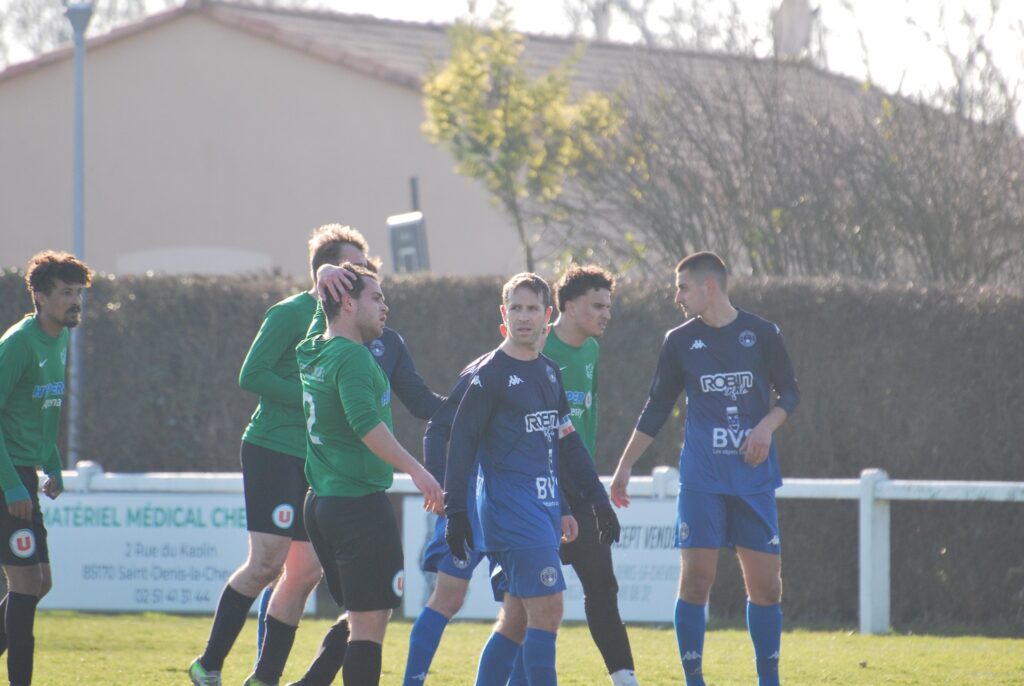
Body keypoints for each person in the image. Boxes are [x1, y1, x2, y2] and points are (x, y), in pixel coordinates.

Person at [190, 225, 374, 686]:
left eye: (363, 270)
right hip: (272, 449)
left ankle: (263, 678)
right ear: (325, 270)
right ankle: (207, 664)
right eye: (347, 267)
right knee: (266, 563)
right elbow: (251, 375)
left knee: (305, 571)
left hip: (314, 460)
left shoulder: (353, 325)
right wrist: (311, 395)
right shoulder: (290, 313)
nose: (356, 277)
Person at [609, 252, 800, 686]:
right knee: (696, 581)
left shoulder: (763, 333)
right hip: (702, 480)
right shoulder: (678, 341)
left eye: (683, 287)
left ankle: (768, 680)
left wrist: (767, 426)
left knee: (767, 588)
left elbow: (790, 392)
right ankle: (694, 680)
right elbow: (656, 408)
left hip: (752, 478)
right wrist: (623, 467)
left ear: (708, 286)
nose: (677, 296)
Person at [444, 273, 620, 686]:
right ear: (504, 314)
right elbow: (460, 445)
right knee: (550, 610)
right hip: (510, 510)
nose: (524, 317)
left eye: (532, 308)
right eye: (516, 308)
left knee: (517, 620)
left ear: (548, 315)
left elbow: (562, 444)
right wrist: (455, 512)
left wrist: (591, 501)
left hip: (542, 509)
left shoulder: (549, 372)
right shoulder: (488, 376)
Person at [283, 260, 444, 686]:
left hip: (321, 505)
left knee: (361, 615)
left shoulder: (312, 348)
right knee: (370, 627)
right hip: (359, 507)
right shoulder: (353, 358)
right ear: (348, 303)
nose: (384, 307)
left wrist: (322, 283)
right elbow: (366, 425)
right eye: (376, 297)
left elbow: (324, 313)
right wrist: (418, 471)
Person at [531, 264, 638, 686]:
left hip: (580, 490)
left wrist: (593, 490)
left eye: (608, 306)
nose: (606, 314)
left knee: (602, 589)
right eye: (597, 306)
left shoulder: (591, 350)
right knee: (530, 604)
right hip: (537, 494)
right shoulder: (535, 350)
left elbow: (581, 427)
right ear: (570, 307)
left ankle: (625, 679)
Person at [0, 250, 92, 686]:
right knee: (26, 583)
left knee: (41, 583)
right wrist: (12, 487)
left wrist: (52, 465)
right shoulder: (18, 344)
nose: (75, 301)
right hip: (6, 478)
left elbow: (44, 412)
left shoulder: (60, 338)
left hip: (26, 474)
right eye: (66, 293)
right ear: (39, 295)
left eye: (79, 292)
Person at [401, 352, 490, 685]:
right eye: (518, 309)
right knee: (449, 596)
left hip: (521, 503)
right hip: (471, 501)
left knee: (527, 608)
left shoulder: (549, 373)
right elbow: (437, 427)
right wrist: (441, 487)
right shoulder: (482, 372)